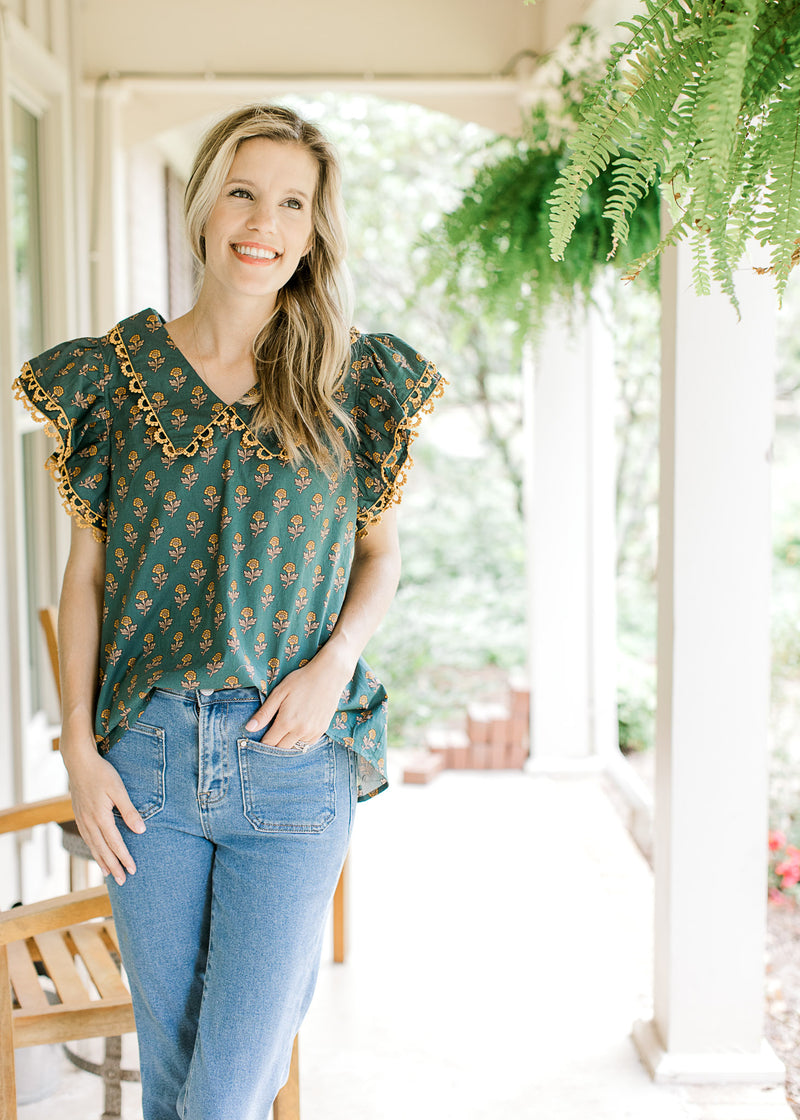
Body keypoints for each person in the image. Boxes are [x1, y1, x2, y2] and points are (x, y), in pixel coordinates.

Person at [14, 103, 444, 1120]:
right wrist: (77, 746)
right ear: (204, 205)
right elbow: (87, 577)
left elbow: (379, 556)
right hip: (145, 769)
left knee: (222, 1093)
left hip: (292, 765)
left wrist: (336, 660)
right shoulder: (112, 380)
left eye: (292, 202)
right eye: (244, 191)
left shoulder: (353, 380)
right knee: (176, 1078)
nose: (264, 220)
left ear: (314, 228)